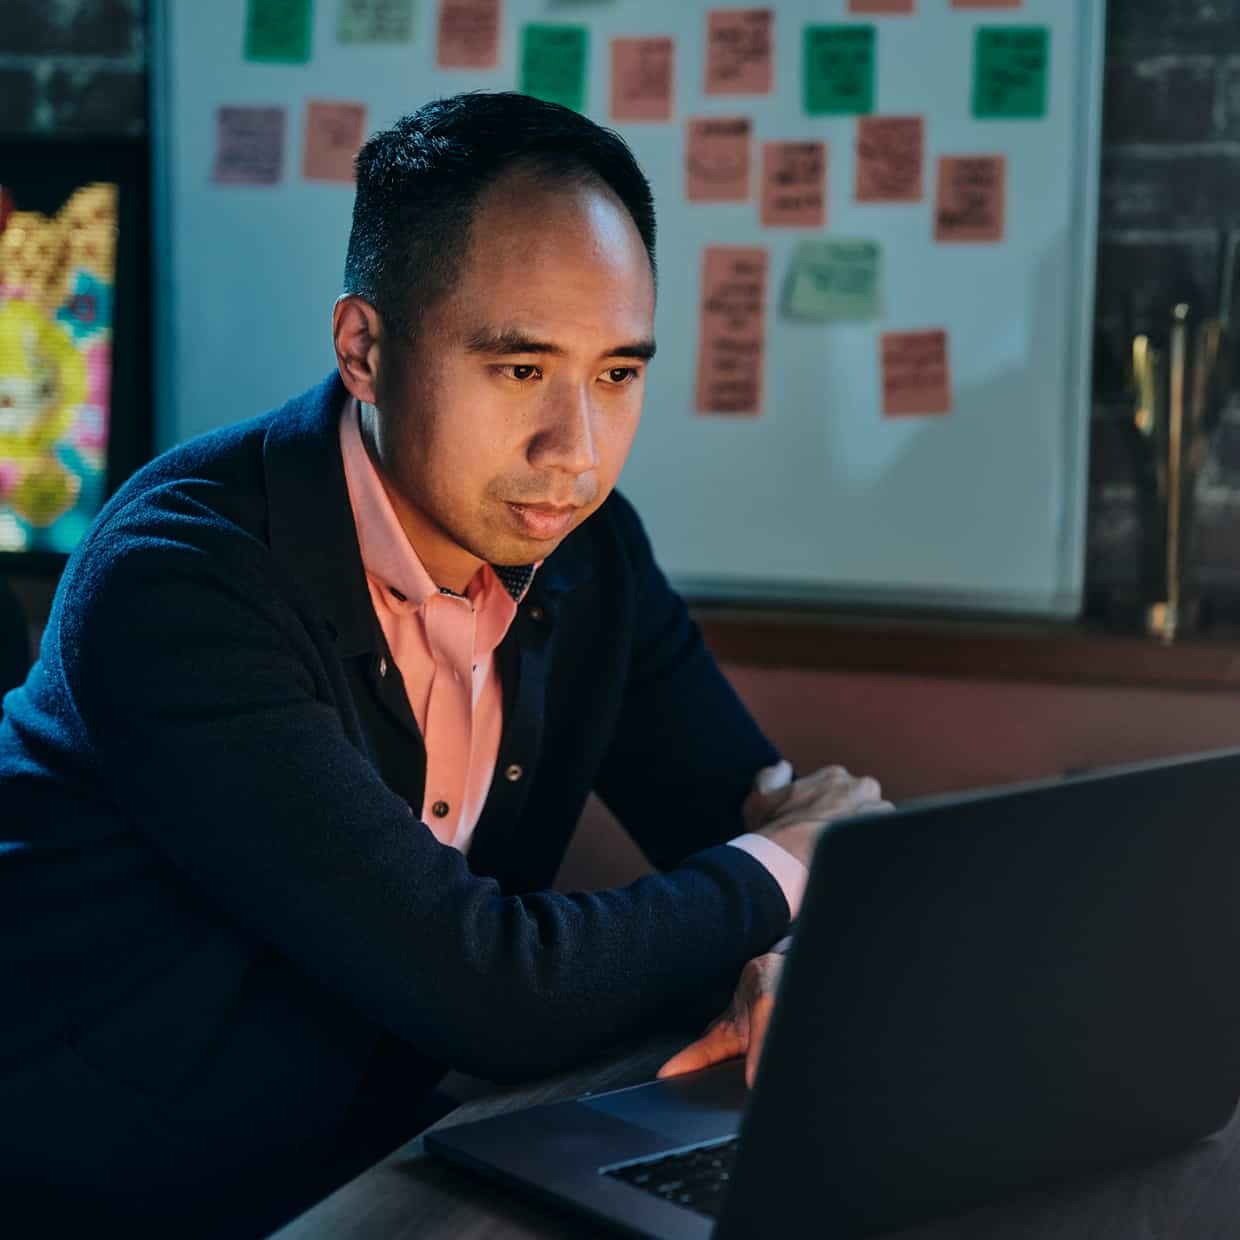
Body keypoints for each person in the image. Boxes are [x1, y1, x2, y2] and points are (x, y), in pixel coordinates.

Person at [0, 92, 885, 1237]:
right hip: (86, 1198)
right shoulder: (176, 582)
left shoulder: (584, 549)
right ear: (365, 348)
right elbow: (497, 992)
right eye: (520, 370)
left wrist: (790, 941)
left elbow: (753, 823)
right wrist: (790, 865)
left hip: (359, 1167)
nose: (575, 450)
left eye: (616, 373)